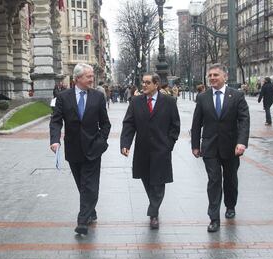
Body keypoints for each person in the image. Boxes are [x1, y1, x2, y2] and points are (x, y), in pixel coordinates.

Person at [49, 63, 111, 235]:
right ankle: (90, 211)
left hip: (93, 149)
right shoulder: (63, 97)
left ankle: (82, 221)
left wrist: (101, 141)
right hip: (74, 149)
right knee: (82, 185)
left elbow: (105, 124)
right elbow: (56, 121)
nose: (92, 79)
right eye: (88, 76)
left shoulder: (98, 97)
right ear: (77, 79)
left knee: (89, 185)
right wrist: (55, 140)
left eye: (92, 76)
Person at [191, 63, 250, 233]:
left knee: (230, 179)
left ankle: (230, 205)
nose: (212, 78)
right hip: (210, 147)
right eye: (210, 75)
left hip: (231, 147)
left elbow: (244, 120)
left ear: (225, 77)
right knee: (214, 181)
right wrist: (195, 145)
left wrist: (241, 142)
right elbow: (196, 123)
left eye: (215, 75)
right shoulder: (203, 97)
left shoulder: (237, 95)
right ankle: (214, 218)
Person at [120, 73, 180, 230]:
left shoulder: (169, 102)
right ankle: (154, 207)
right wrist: (125, 144)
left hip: (162, 150)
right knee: (147, 180)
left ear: (156, 84)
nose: (144, 85)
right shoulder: (136, 102)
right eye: (143, 82)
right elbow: (129, 124)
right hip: (143, 150)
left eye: (147, 83)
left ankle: (153, 213)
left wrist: (169, 144)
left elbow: (175, 126)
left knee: (158, 182)